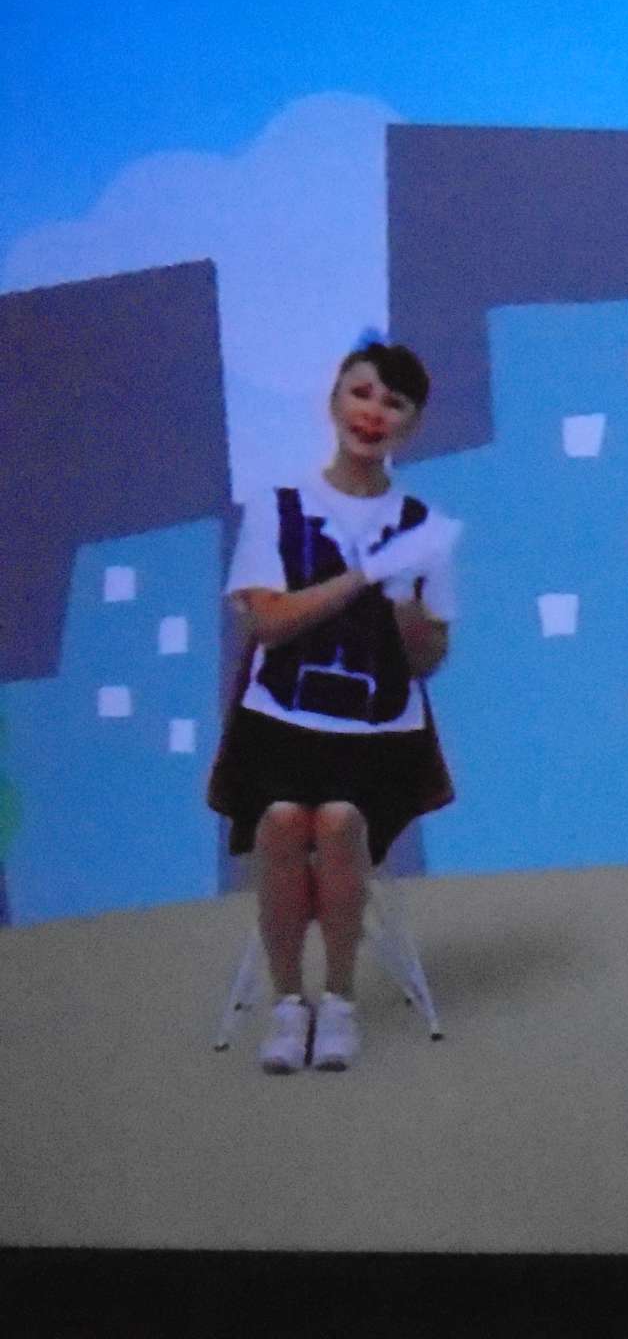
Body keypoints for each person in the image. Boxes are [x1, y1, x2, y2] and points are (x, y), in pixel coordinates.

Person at [205, 334, 461, 1074]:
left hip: (379, 737)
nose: (374, 412)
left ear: (412, 423)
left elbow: (429, 658)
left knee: (342, 822)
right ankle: (289, 1006)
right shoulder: (278, 508)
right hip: (278, 728)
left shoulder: (425, 529)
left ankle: (340, 1001)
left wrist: (406, 606)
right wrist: (361, 577)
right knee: (284, 821)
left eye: (394, 403)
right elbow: (267, 621)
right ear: (335, 400)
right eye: (362, 392)